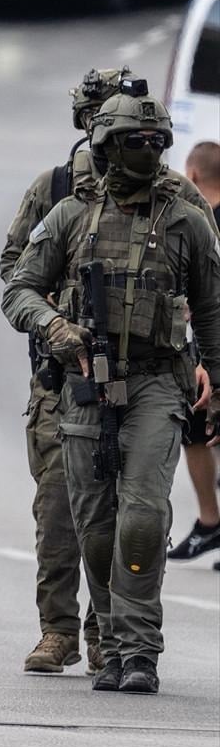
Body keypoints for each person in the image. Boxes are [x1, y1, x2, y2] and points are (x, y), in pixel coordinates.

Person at [2, 87, 220, 695]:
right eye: (133, 141)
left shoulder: (185, 215)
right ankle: (112, 645)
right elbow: (18, 287)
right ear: (106, 145)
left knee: (142, 517)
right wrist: (55, 327)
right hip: (85, 384)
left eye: (155, 141)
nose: (146, 151)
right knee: (95, 528)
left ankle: (140, 649)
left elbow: (212, 307)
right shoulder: (70, 214)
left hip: (157, 382)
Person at [0, 69, 138, 677]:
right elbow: (14, 268)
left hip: (136, 378)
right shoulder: (54, 188)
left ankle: (108, 632)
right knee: (58, 508)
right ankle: (57, 630)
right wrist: (53, 316)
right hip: (63, 379)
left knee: (127, 511)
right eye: (100, 114)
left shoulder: (161, 193)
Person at [169, 140, 220, 567]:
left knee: (199, 432)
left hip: (210, 348)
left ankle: (210, 520)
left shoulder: (200, 224)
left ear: (194, 175)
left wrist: (204, 360)